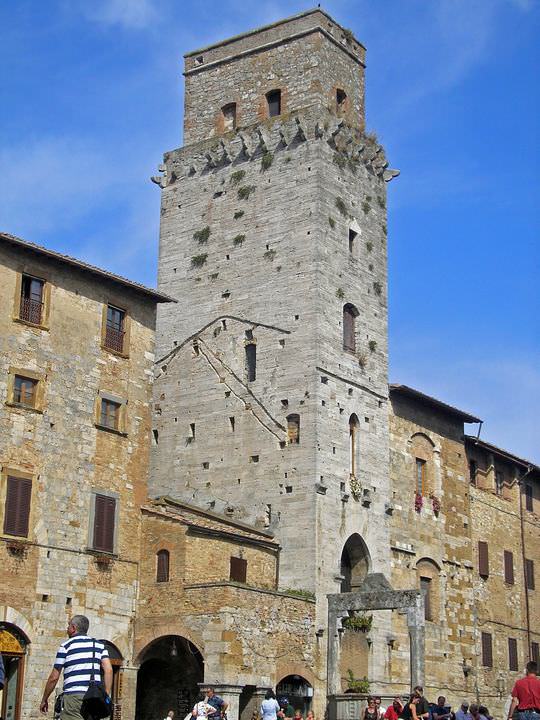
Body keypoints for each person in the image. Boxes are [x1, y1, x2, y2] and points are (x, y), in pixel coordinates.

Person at [39, 614, 112, 719]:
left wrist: (44, 699)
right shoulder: (99, 645)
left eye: (68, 625)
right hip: (94, 697)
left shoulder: (66, 646)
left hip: (73, 696)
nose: (67, 628)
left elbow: (54, 677)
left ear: (73, 628)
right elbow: (108, 670)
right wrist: (106, 694)